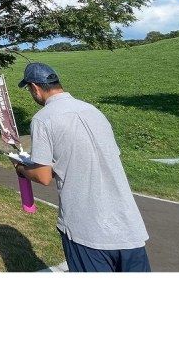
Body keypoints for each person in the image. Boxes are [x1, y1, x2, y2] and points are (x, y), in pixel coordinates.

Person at [14, 62, 151, 272]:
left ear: (34, 87)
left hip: (86, 229)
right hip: (128, 226)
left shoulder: (43, 119)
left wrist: (21, 168)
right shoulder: (93, 111)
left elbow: (43, 176)